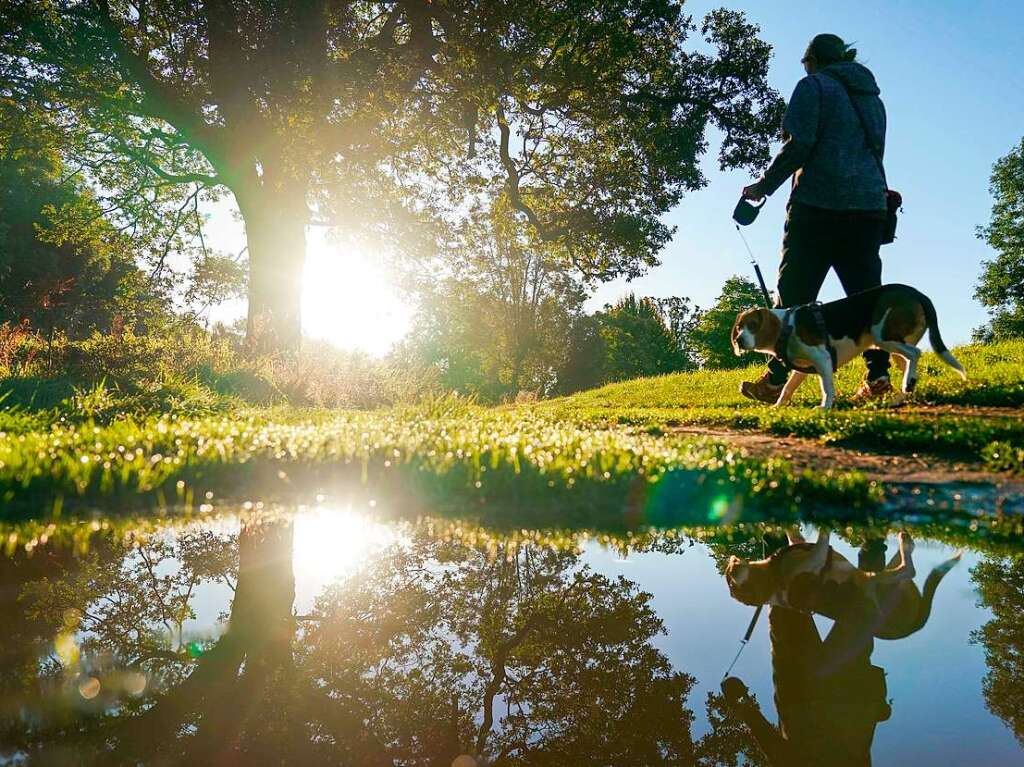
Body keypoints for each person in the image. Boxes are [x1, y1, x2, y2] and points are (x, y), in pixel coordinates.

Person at [740, 33, 892, 403]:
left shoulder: (814, 87)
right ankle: (879, 379)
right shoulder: (873, 100)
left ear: (813, 60)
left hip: (818, 205)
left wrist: (764, 186)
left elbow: (800, 145)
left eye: (805, 64)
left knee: (793, 295)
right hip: (868, 205)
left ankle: (775, 380)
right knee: (866, 296)